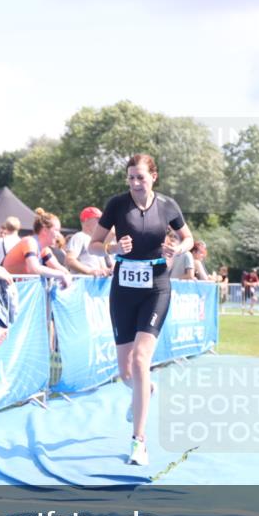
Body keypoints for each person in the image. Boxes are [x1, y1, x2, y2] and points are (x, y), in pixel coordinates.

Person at [88, 154, 194, 466]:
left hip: (157, 285)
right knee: (126, 373)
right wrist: (112, 248)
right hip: (123, 286)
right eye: (131, 177)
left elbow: (188, 239)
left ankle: (139, 442)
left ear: (153, 178)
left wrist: (178, 247)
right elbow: (93, 244)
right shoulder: (117, 204)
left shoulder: (167, 206)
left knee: (140, 359)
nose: (135, 183)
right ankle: (144, 390)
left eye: (141, 178)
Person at [2, 208, 73, 286]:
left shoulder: (44, 249)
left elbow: (58, 267)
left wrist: (68, 276)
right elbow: (33, 269)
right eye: (56, 230)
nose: (59, 235)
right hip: (7, 290)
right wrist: (61, 275)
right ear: (45, 230)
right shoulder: (29, 242)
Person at [66, 206, 112, 277]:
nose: (101, 222)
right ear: (86, 220)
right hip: (83, 285)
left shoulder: (96, 241)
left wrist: (108, 271)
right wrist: (90, 271)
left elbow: (101, 269)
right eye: (98, 219)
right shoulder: (79, 236)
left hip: (94, 285)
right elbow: (69, 260)